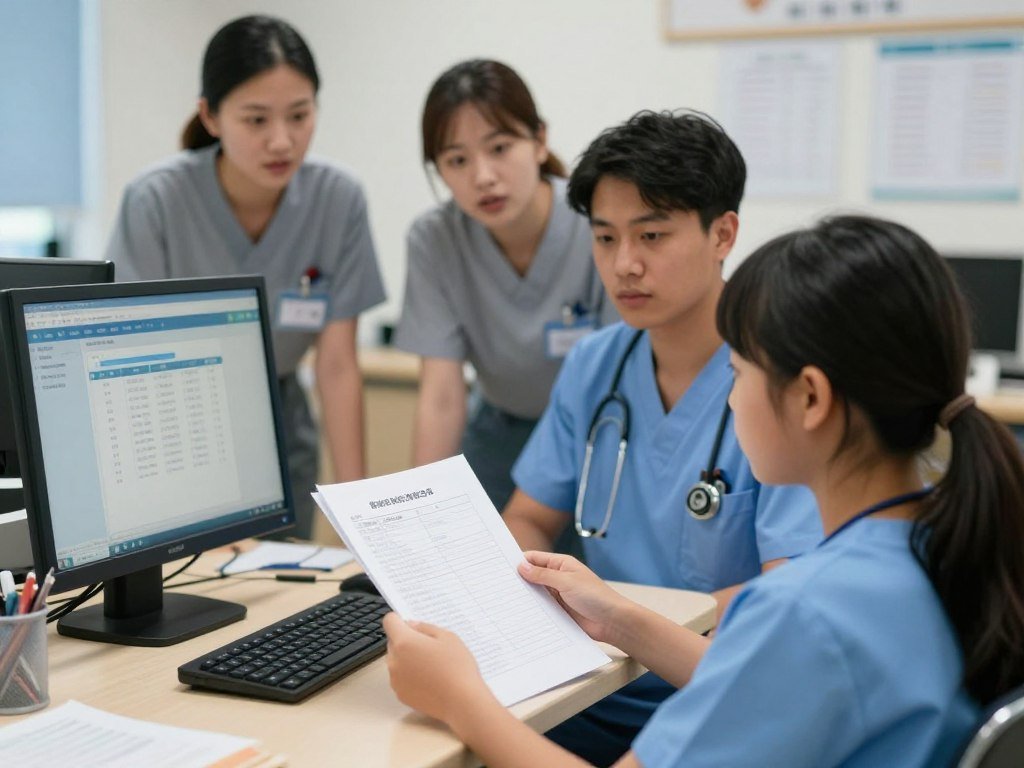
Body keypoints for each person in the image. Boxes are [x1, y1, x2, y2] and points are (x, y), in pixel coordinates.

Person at [383, 214, 1024, 767]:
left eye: (739, 372)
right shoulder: (936, 546)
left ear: (809, 398)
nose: (730, 393)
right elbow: (773, 688)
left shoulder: (806, 610)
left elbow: (784, 658)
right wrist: (620, 618)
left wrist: (460, 698)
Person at [495, 110, 821, 764]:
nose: (625, 265)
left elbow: (787, 591)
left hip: (713, 690)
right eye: (606, 238)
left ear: (723, 233)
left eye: (651, 235)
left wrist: (620, 616)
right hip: (587, 685)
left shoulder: (780, 379)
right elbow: (529, 517)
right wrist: (546, 592)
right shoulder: (595, 367)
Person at [104, 15, 386, 539]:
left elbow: (337, 364)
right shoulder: (157, 200)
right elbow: (128, 356)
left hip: (281, 415)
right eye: (256, 120)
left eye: (299, 115)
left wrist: (360, 520)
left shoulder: (338, 198)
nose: (282, 141)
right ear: (210, 116)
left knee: (280, 593)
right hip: (173, 415)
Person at [393, 59, 616, 520]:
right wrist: (421, 510)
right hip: (497, 438)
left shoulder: (597, 221)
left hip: (597, 438)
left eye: (500, 147)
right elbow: (441, 394)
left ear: (539, 140)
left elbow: (628, 371)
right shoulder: (435, 239)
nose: (483, 176)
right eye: (457, 160)